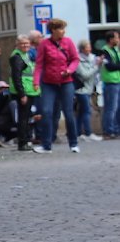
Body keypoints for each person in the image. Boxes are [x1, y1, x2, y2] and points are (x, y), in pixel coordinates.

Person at [32, 18, 79, 153]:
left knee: (69, 113)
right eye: (61, 29)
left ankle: (73, 143)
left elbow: (75, 59)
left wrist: (69, 70)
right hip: (48, 83)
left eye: (64, 28)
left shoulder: (68, 42)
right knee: (46, 112)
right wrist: (36, 82)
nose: (63, 31)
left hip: (66, 82)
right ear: (53, 30)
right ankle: (46, 145)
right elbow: (39, 64)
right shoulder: (44, 44)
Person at [9, 35, 39, 151]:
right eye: (22, 43)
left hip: (28, 90)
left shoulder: (24, 55)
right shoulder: (17, 57)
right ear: (17, 44)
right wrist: (22, 94)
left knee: (26, 117)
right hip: (23, 91)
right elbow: (17, 77)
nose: (25, 45)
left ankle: (26, 140)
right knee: (23, 118)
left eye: (27, 43)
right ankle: (22, 142)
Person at [74, 40, 102, 142]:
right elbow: (85, 75)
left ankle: (77, 133)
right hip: (81, 90)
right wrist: (96, 66)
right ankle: (88, 133)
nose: (89, 49)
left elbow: (96, 73)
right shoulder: (78, 60)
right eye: (87, 47)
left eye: (90, 46)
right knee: (86, 111)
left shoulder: (93, 58)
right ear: (82, 49)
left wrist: (99, 65)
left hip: (89, 89)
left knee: (81, 112)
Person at [99, 31, 120, 139]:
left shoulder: (116, 50)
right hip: (110, 82)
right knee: (111, 108)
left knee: (118, 108)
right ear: (111, 39)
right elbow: (110, 66)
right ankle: (108, 130)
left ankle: (117, 129)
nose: (118, 40)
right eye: (117, 38)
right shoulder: (104, 51)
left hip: (118, 81)